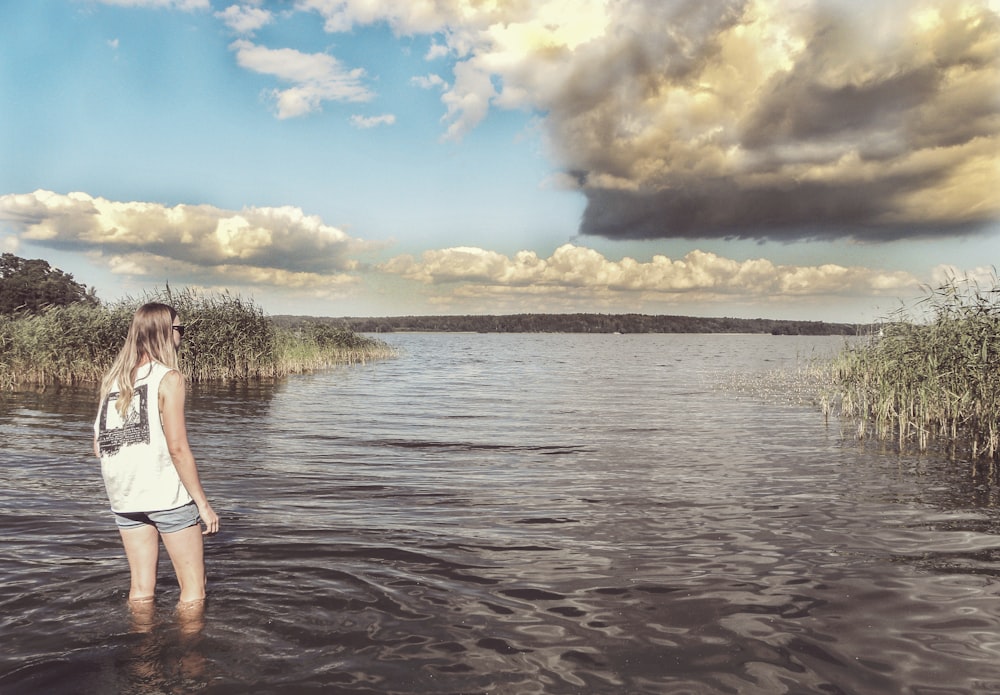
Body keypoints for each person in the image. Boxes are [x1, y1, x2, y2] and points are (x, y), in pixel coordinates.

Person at [93, 302, 219, 611]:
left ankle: (142, 659)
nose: (182, 336)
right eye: (180, 329)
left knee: (140, 590)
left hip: (124, 499)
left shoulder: (114, 379)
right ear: (165, 332)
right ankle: (192, 659)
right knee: (193, 591)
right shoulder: (169, 378)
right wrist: (203, 504)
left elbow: (99, 446)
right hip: (167, 497)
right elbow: (177, 448)